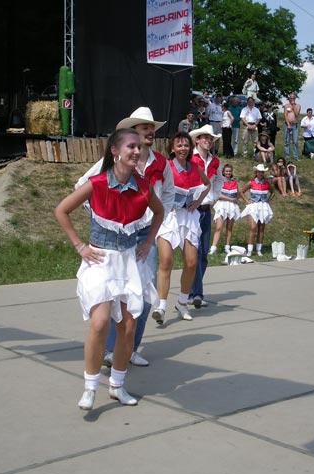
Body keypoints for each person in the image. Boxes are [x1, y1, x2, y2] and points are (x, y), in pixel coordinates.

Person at [55, 128, 164, 411]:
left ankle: (117, 385)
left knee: (127, 328)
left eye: (139, 147)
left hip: (129, 261)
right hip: (100, 261)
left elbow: (160, 212)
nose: (137, 151)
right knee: (100, 322)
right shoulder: (97, 182)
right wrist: (80, 246)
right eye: (131, 146)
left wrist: (148, 241)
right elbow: (61, 210)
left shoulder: (142, 185)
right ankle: (90, 387)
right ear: (115, 151)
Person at [75, 107, 174, 369]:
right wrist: (103, 218)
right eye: (144, 127)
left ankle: (130, 348)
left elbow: (167, 196)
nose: (150, 131)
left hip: (144, 236)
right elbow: (82, 185)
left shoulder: (161, 163)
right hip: (116, 236)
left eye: (152, 127)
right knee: (111, 294)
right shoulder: (115, 160)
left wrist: (156, 228)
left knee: (141, 294)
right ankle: (109, 350)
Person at [152, 132, 211, 324]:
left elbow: (207, 184)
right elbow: (154, 188)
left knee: (192, 262)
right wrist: (161, 205)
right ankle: (160, 306)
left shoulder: (195, 167)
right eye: (179, 145)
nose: (183, 148)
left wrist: (197, 202)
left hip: (188, 216)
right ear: (172, 148)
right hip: (168, 217)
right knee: (166, 260)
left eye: (186, 145)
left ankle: (182, 302)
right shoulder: (166, 167)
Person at [189, 124, 224, 308]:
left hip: (206, 208)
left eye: (210, 139)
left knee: (203, 253)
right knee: (194, 253)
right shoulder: (191, 158)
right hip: (191, 209)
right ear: (197, 140)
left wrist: (214, 197)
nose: (208, 141)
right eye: (205, 138)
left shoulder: (214, 161)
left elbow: (219, 180)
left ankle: (193, 290)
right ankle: (196, 293)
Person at [240, 164, 275, 256]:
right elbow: (241, 191)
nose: (260, 173)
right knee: (252, 227)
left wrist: (267, 201)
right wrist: (247, 200)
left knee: (261, 228)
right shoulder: (251, 182)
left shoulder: (267, 183)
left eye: (262, 172)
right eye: (259, 172)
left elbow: (273, 193)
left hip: (263, 206)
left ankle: (259, 249)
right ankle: (250, 250)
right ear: (256, 172)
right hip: (253, 206)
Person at [210, 164, 242, 254]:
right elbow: (219, 195)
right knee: (219, 227)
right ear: (223, 172)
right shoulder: (220, 182)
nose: (228, 172)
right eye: (226, 171)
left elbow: (238, 193)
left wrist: (236, 199)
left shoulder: (234, 182)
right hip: (222, 205)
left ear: (231, 172)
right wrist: (230, 199)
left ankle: (227, 247)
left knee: (229, 228)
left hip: (232, 206)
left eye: (229, 171)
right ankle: (213, 248)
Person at [283, 93, 301, 162]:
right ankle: (287, 155)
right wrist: (288, 124)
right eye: (291, 98)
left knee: (295, 141)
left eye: (293, 98)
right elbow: (285, 115)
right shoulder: (286, 106)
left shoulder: (298, 106)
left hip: (295, 125)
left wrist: (293, 107)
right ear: (289, 98)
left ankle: (295, 156)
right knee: (286, 141)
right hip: (287, 124)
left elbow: (296, 115)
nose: (292, 99)